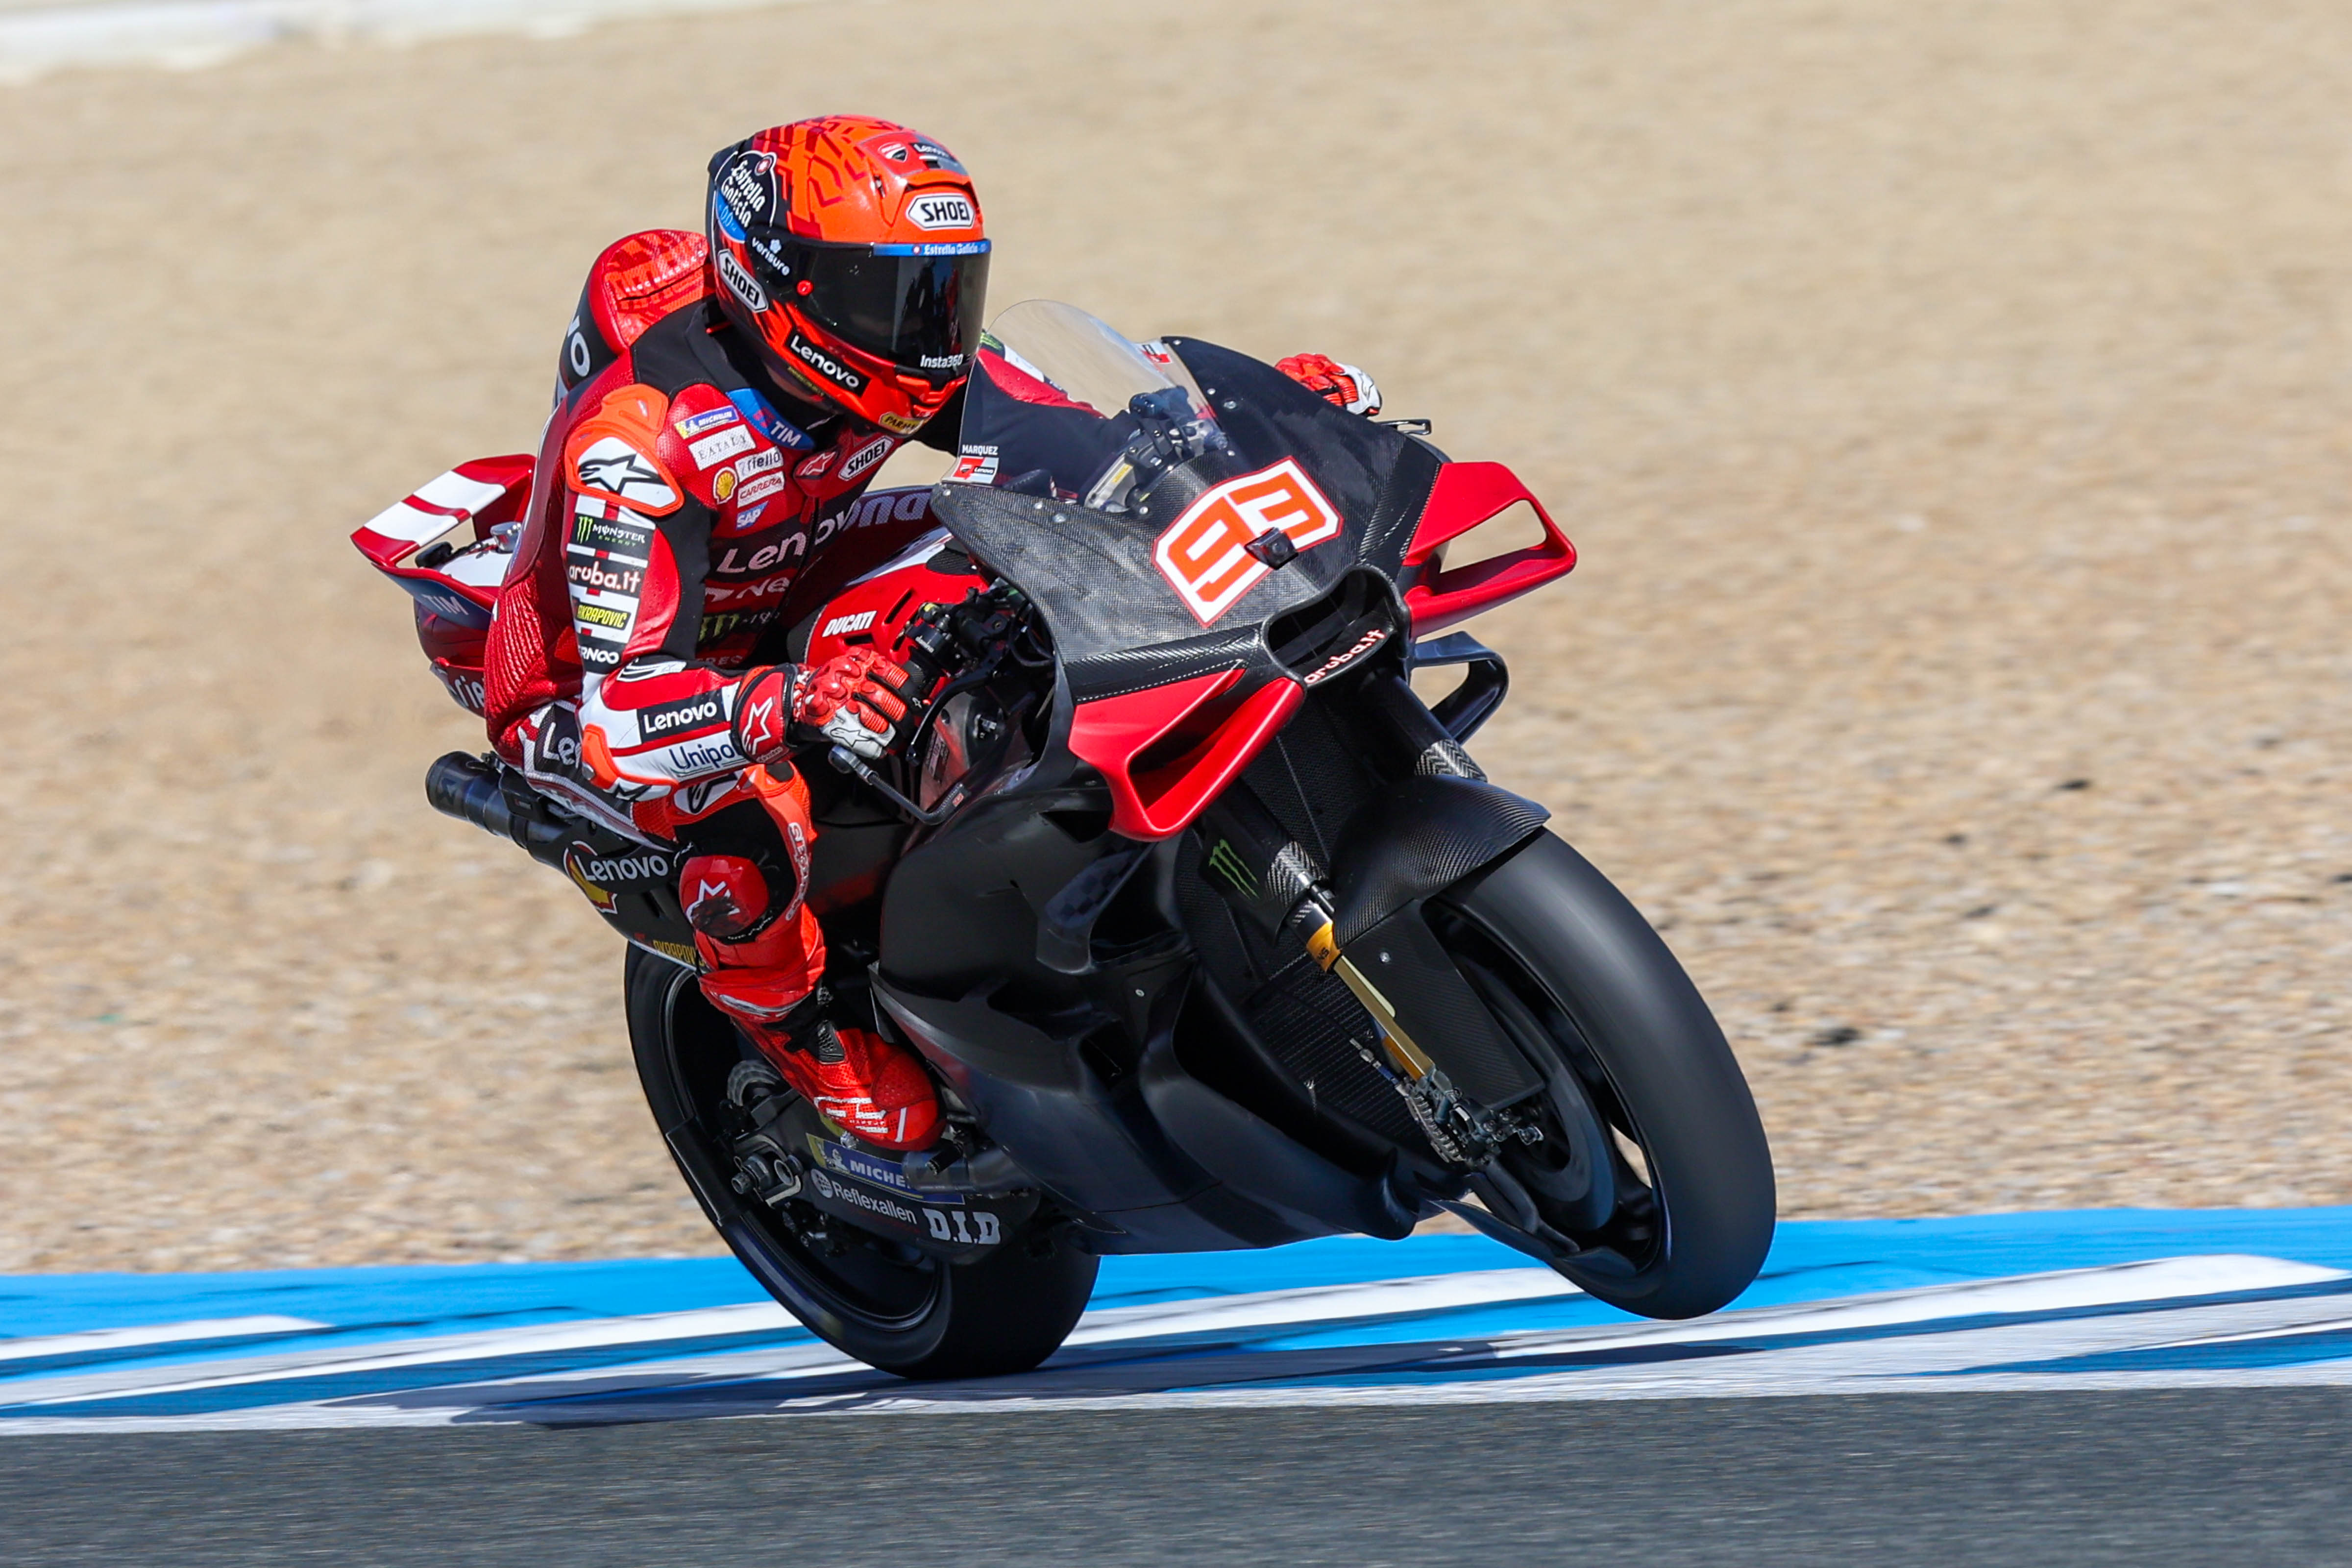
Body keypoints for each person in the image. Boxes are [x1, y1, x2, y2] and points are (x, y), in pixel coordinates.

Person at [481, 115, 1381, 1152]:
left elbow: (1085, 425)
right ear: (783, 290)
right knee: (740, 816)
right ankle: (799, 1034)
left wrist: (1239, 423)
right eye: (894, 296)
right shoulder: (642, 447)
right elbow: (618, 716)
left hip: (786, 565)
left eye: (948, 291)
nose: (930, 330)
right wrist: (788, 700)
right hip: (589, 683)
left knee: (1050, 533)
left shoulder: (878, 355)